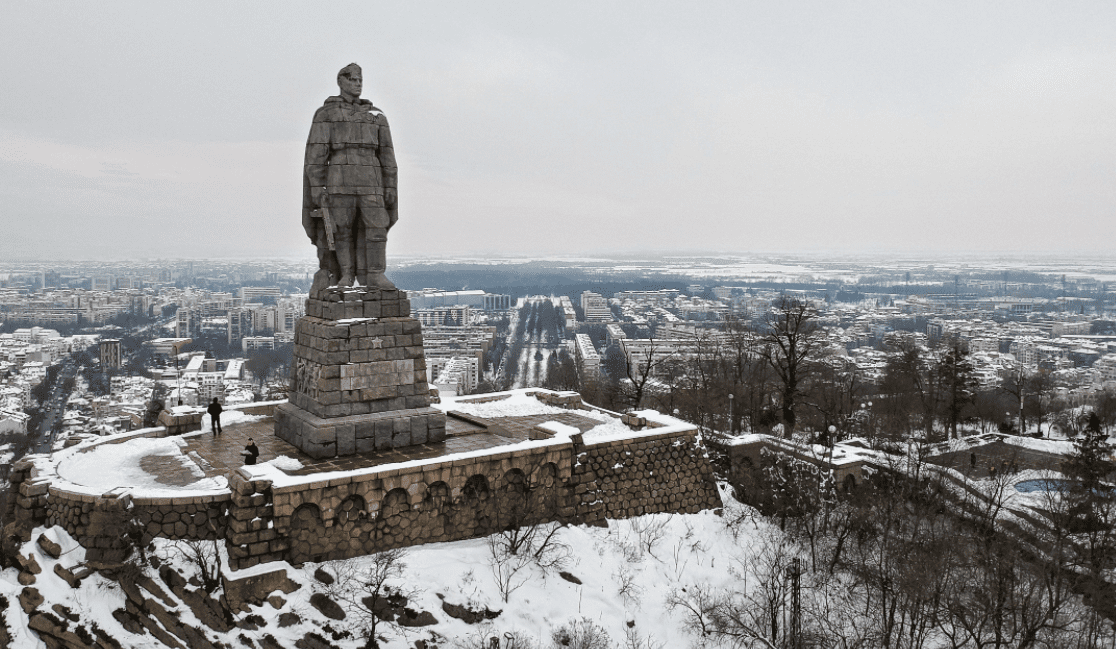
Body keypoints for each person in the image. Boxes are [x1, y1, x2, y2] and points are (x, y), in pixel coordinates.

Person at [303, 62, 399, 297]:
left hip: (372, 178)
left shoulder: (376, 116)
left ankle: (375, 273)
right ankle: (345, 273)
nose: (357, 84)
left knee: (377, 227)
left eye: (360, 80)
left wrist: (390, 184)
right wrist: (317, 186)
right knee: (341, 229)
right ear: (341, 82)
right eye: (352, 80)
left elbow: (387, 154)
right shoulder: (327, 114)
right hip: (339, 178)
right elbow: (316, 155)